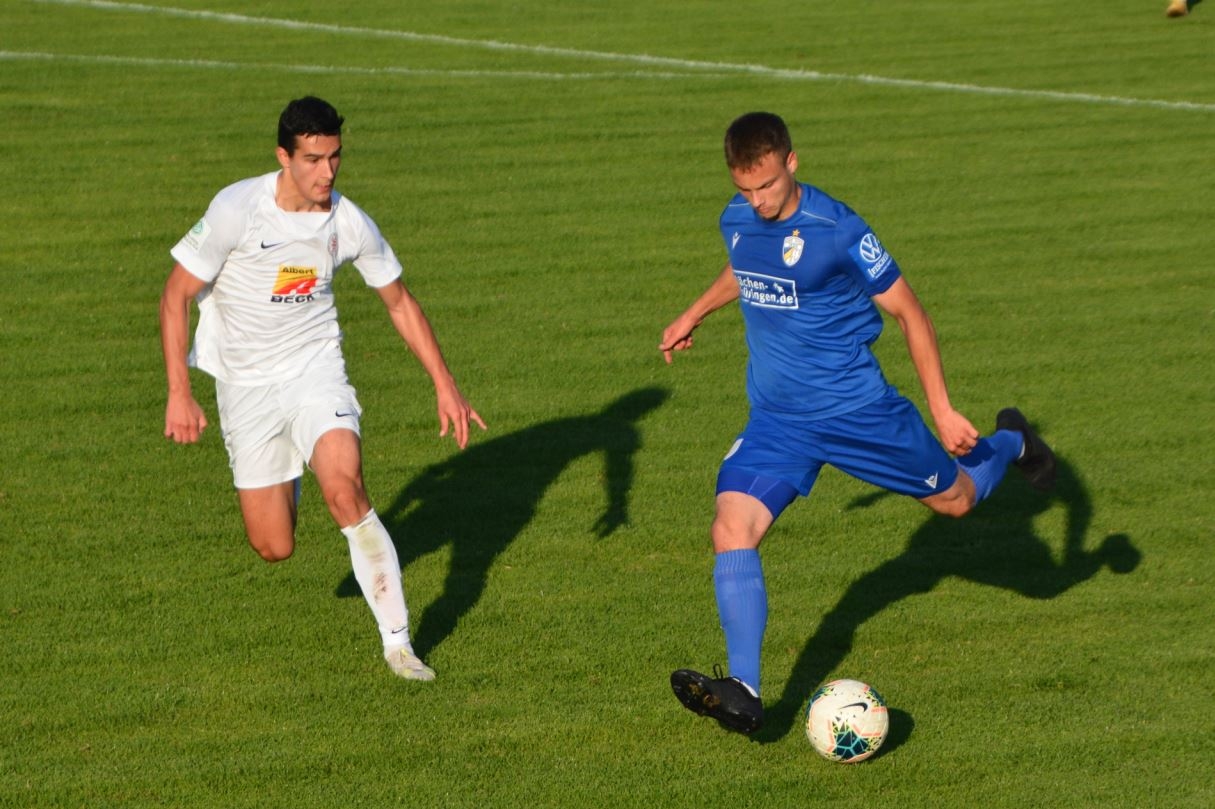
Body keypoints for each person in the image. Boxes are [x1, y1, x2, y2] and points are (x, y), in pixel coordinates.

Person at [659, 112, 1055, 734]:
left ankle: (1012, 441)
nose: (758, 202)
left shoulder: (839, 229)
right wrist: (694, 312)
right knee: (731, 527)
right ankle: (744, 690)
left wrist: (942, 408)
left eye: (767, 185)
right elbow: (747, 266)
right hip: (778, 420)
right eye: (745, 189)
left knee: (956, 501)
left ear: (792, 162)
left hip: (859, 415)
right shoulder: (737, 218)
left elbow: (910, 313)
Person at [160, 96, 485, 681]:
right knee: (274, 546)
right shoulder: (237, 209)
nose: (327, 172)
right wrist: (179, 392)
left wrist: (445, 384)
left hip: (316, 372)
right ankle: (292, 464)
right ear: (283, 157)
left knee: (344, 488)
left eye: (334, 157)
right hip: (247, 387)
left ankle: (399, 646)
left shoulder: (348, 221)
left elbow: (400, 302)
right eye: (312, 159)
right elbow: (175, 294)